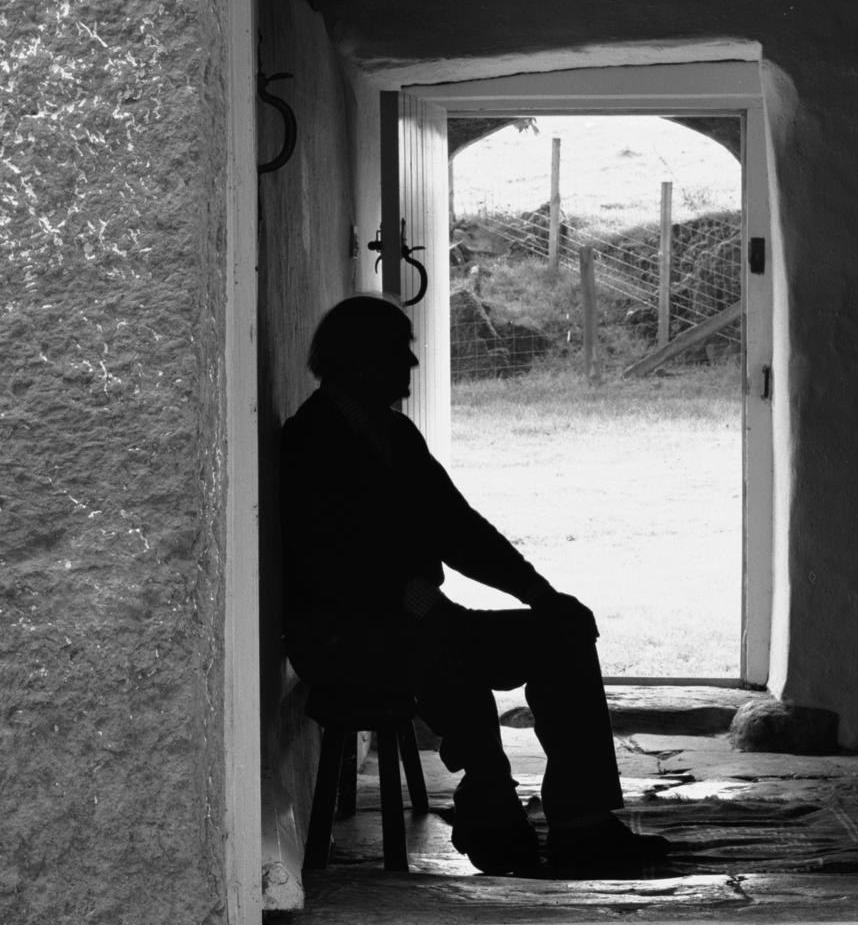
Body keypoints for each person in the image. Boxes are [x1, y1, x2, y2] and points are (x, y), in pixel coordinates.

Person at [279, 295, 674, 879]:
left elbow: (459, 530)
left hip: (416, 620)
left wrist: (541, 595)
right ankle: (491, 811)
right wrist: (425, 608)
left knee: (559, 633)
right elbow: (335, 566)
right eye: (398, 351)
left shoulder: (395, 435)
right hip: (343, 636)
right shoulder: (310, 443)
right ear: (359, 361)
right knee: (447, 651)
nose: (411, 363)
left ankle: (579, 823)